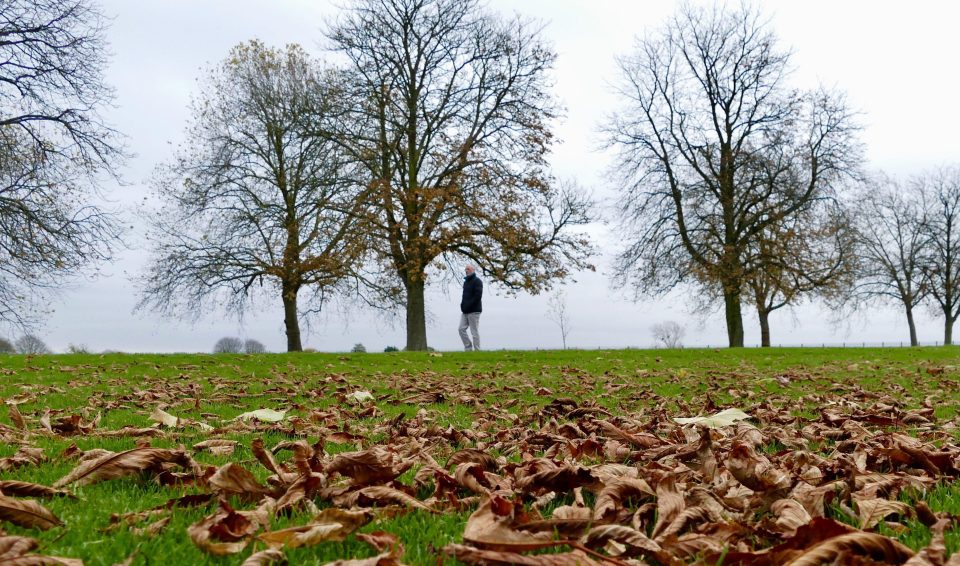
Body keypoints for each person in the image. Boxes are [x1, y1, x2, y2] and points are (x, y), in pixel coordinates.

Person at [459, 263, 482, 351]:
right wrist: (462, 305)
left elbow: (478, 296)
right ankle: (468, 348)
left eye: (468, 269)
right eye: (465, 269)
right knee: (461, 329)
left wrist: (468, 305)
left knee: (474, 331)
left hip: (474, 311)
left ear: (473, 270)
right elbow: (464, 296)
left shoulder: (477, 281)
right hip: (465, 311)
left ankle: (477, 350)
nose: (466, 271)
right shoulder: (466, 283)